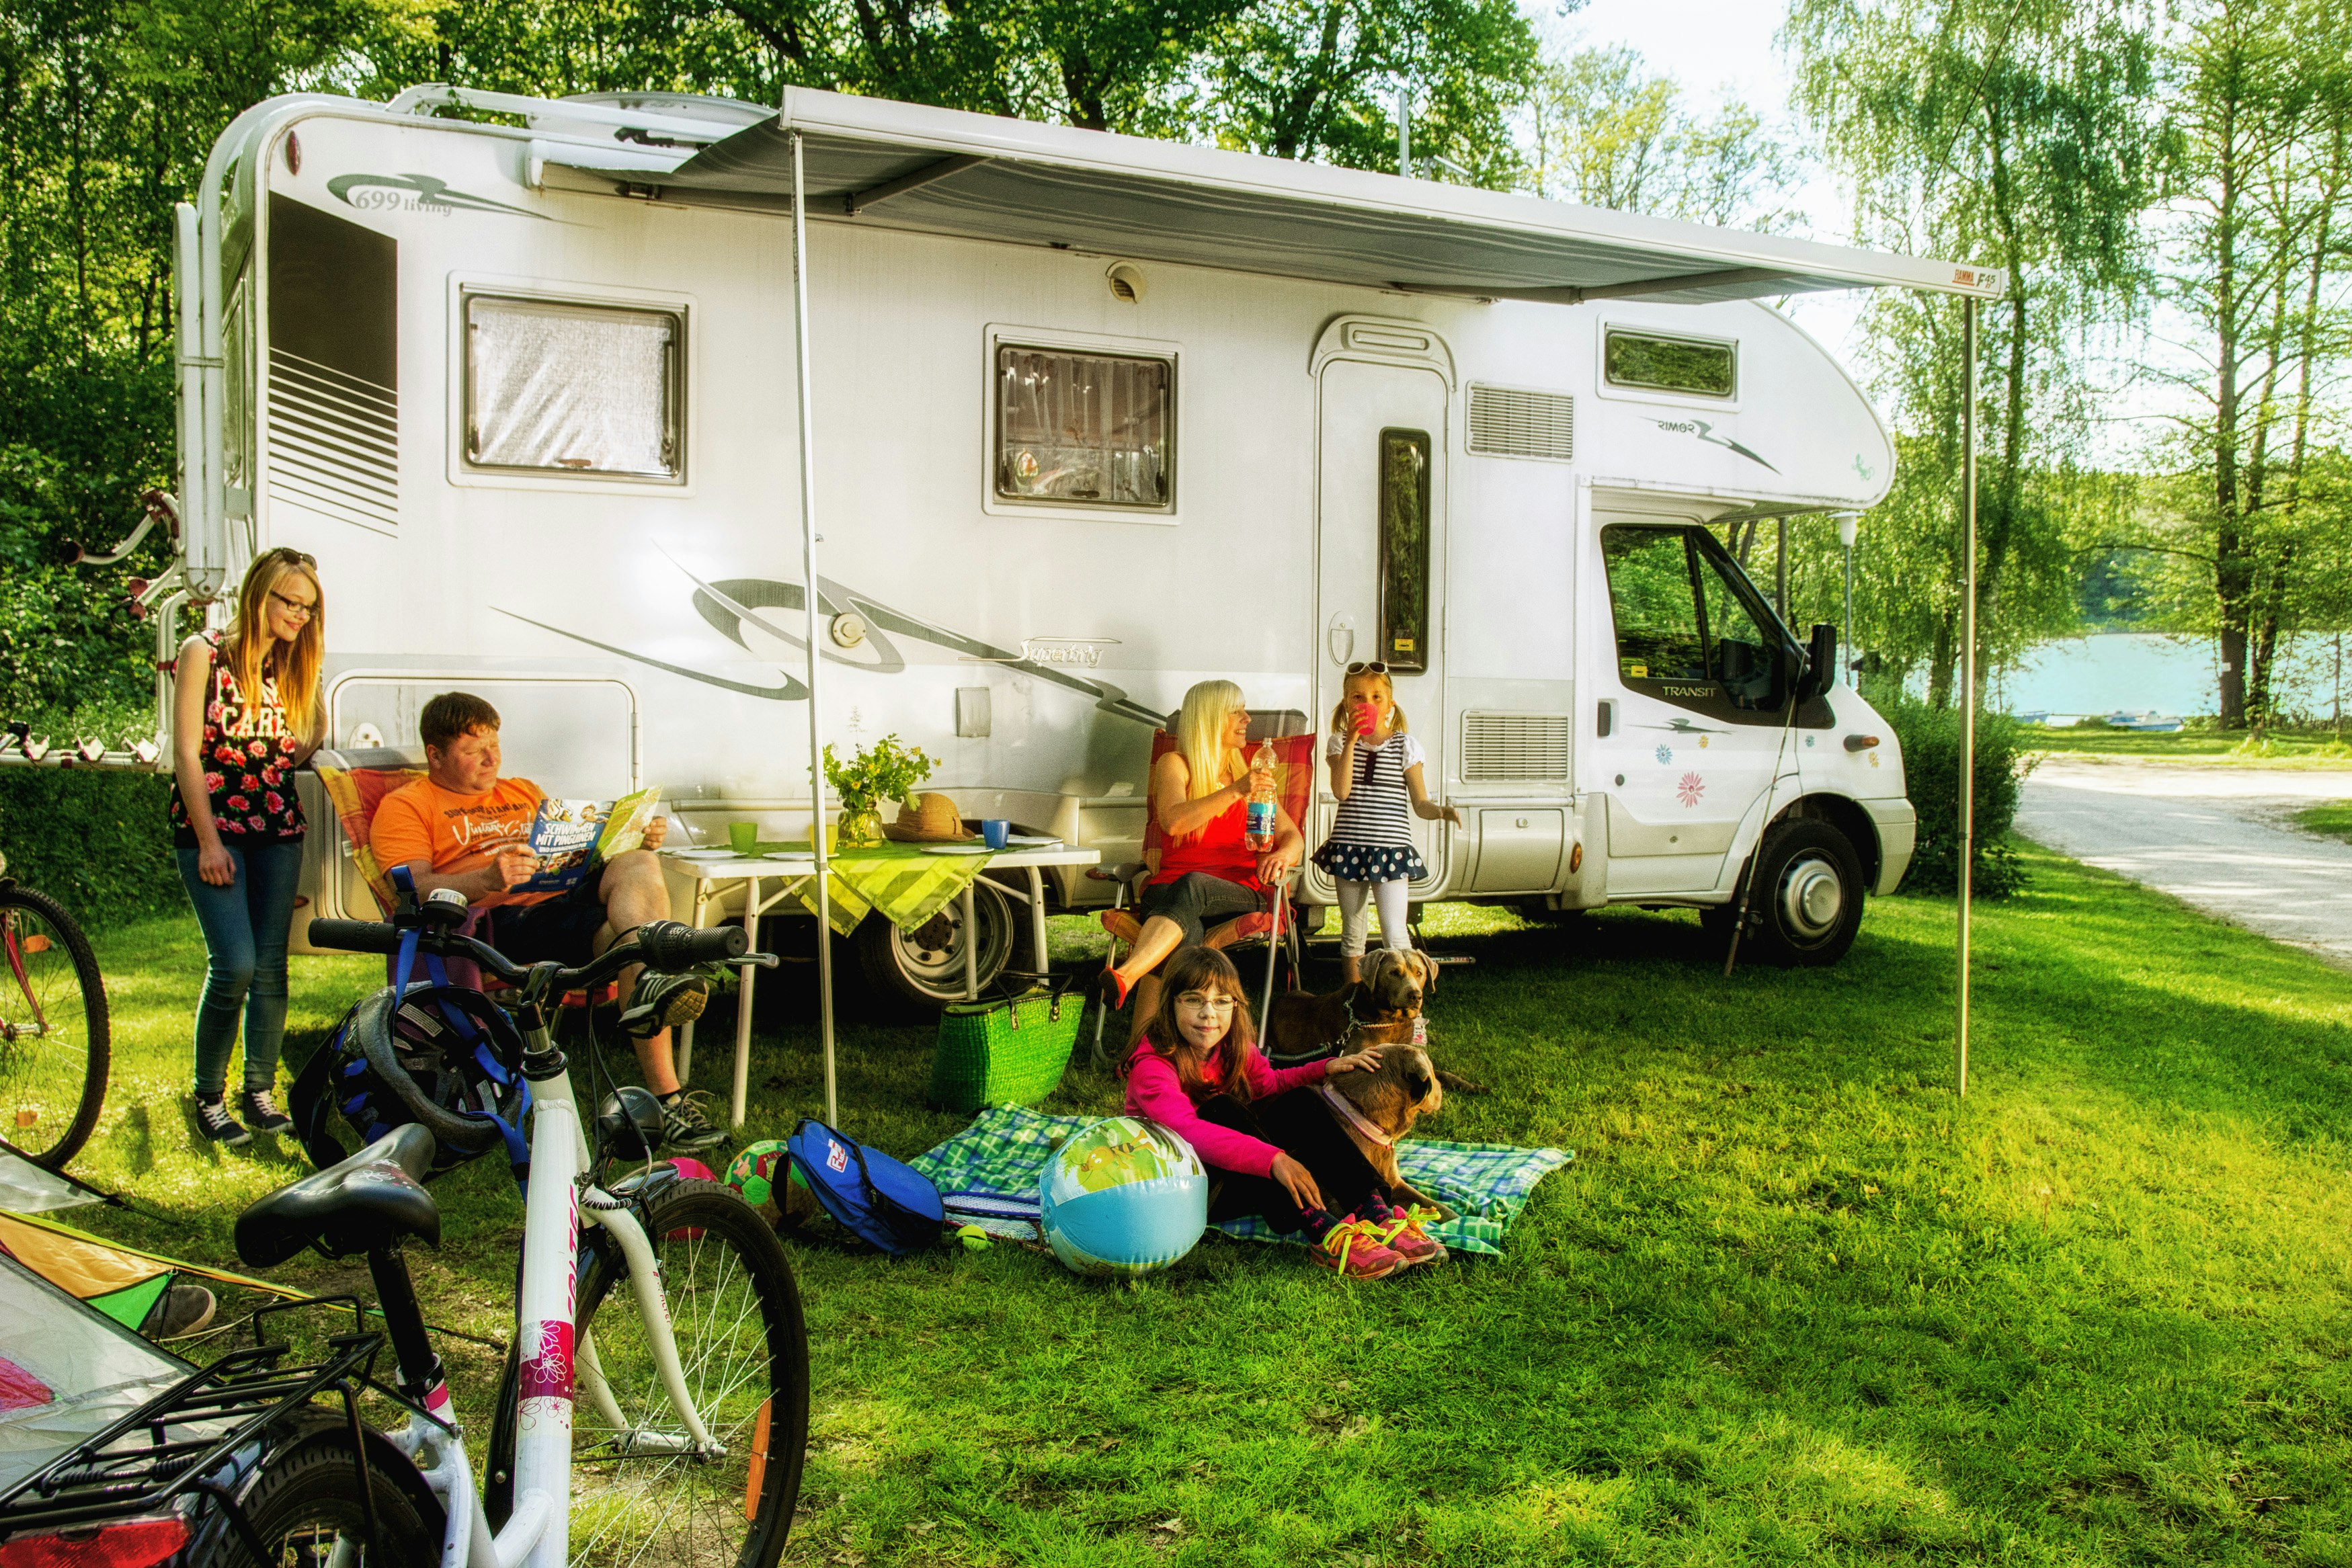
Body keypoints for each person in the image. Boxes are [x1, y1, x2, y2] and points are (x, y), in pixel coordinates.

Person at [368, 692, 725, 1150]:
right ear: (434, 755)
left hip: (564, 895)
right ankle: (669, 1094)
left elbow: (578, 851)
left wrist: (634, 835)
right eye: (473, 749)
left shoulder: (521, 790)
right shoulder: (408, 804)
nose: (491, 758)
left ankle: (650, 977)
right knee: (628, 946)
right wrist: (483, 877)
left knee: (638, 861)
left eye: (494, 744)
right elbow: (411, 887)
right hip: (501, 921)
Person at [1121, 946, 1445, 1279]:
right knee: (1224, 1109)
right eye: (1193, 1000)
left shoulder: (1231, 1047)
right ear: (1170, 1003)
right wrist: (1274, 1159)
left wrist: (1327, 1067)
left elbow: (1271, 1086)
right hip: (1187, 1193)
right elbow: (1186, 1130)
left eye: (1221, 1001)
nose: (1209, 1014)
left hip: (1228, 1175)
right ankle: (1327, 1234)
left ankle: (1377, 1213)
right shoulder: (1154, 1065)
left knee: (1302, 1101)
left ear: (1236, 1005)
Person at [171, 547, 325, 1147]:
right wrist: (209, 841)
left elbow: (296, 746)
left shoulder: (290, 663)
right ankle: (208, 1092)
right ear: (260, 594)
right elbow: (186, 753)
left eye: (309, 608)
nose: (300, 616)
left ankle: (258, 1092)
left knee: (270, 967)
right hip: (215, 831)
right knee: (233, 963)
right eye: (291, 602)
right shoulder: (203, 652)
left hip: (277, 832)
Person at [1097, 679, 1303, 1009]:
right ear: (1209, 718)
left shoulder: (1251, 774)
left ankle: (1128, 975)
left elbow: (1292, 836)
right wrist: (1235, 790)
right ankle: (1154, 1052)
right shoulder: (1176, 765)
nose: (1247, 718)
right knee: (1186, 935)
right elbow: (1174, 821)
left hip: (1239, 891)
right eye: (1235, 711)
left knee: (1194, 886)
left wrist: (1283, 854)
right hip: (1169, 890)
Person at [1313, 662, 1462, 983]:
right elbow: (1341, 791)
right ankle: (1355, 1005)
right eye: (1358, 697)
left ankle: (1410, 1011)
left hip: (1390, 851)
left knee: (1395, 934)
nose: (1367, 703)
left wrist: (1440, 811)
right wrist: (1353, 741)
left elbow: (1419, 803)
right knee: (1353, 931)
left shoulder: (1404, 746)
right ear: (1346, 704)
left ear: (1390, 705)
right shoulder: (1339, 743)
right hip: (1350, 847)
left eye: (1377, 697)